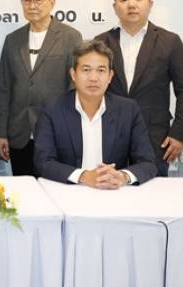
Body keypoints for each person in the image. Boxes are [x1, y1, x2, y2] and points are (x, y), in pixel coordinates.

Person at [95, 0, 183, 176]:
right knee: (108, 188)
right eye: (124, 0)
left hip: (154, 137)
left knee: (154, 189)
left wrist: (179, 134)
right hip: (108, 134)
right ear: (115, 7)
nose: (131, 4)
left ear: (150, 4)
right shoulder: (101, 42)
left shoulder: (170, 42)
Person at [34, 39, 157, 187]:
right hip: (68, 190)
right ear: (73, 74)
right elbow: (43, 162)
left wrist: (122, 177)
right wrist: (84, 176)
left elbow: (148, 162)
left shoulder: (128, 110)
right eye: (86, 70)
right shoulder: (52, 109)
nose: (93, 78)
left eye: (101, 70)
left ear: (110, 76)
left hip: (112, 191)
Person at [0, 0, 82, 176]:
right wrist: (1, 133)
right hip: (20, 134)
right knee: (24, 191)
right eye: (27, 0)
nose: (32, 5)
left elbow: (75, 87)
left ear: (52, 2)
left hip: (57, 132)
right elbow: (3, 89)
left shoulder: (71, 37)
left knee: (56, 188)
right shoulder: (13, 40)